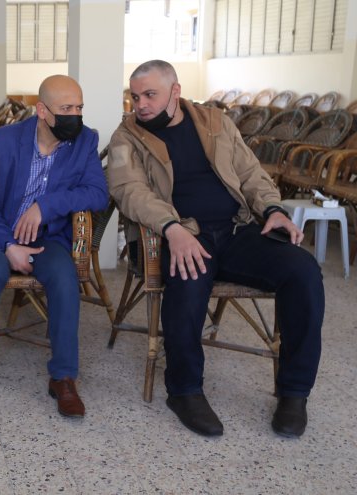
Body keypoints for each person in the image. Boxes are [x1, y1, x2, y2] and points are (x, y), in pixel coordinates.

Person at [108, 60, 323, 438]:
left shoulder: (215, 122)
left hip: (237, 229)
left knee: (303, 271)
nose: (140, 105)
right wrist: (172, 227)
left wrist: (273, 209)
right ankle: (184, 390)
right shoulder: (127, 136)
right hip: (182, 233)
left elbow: (251, 173)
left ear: (175, 91)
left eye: (150, 95)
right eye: (135, 97)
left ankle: (294, 392)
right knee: (188, 278)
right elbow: (129, 190)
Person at [0, 75, 108, 416]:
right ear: (42, 111)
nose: (75, 116)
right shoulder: (2, 141)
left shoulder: (85, 140)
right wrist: (9, 245)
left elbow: (98, 194)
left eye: (79, 108)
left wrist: (45, 206)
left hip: (46, 237)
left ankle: (63, 377)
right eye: (66, 109)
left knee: (65, 277)